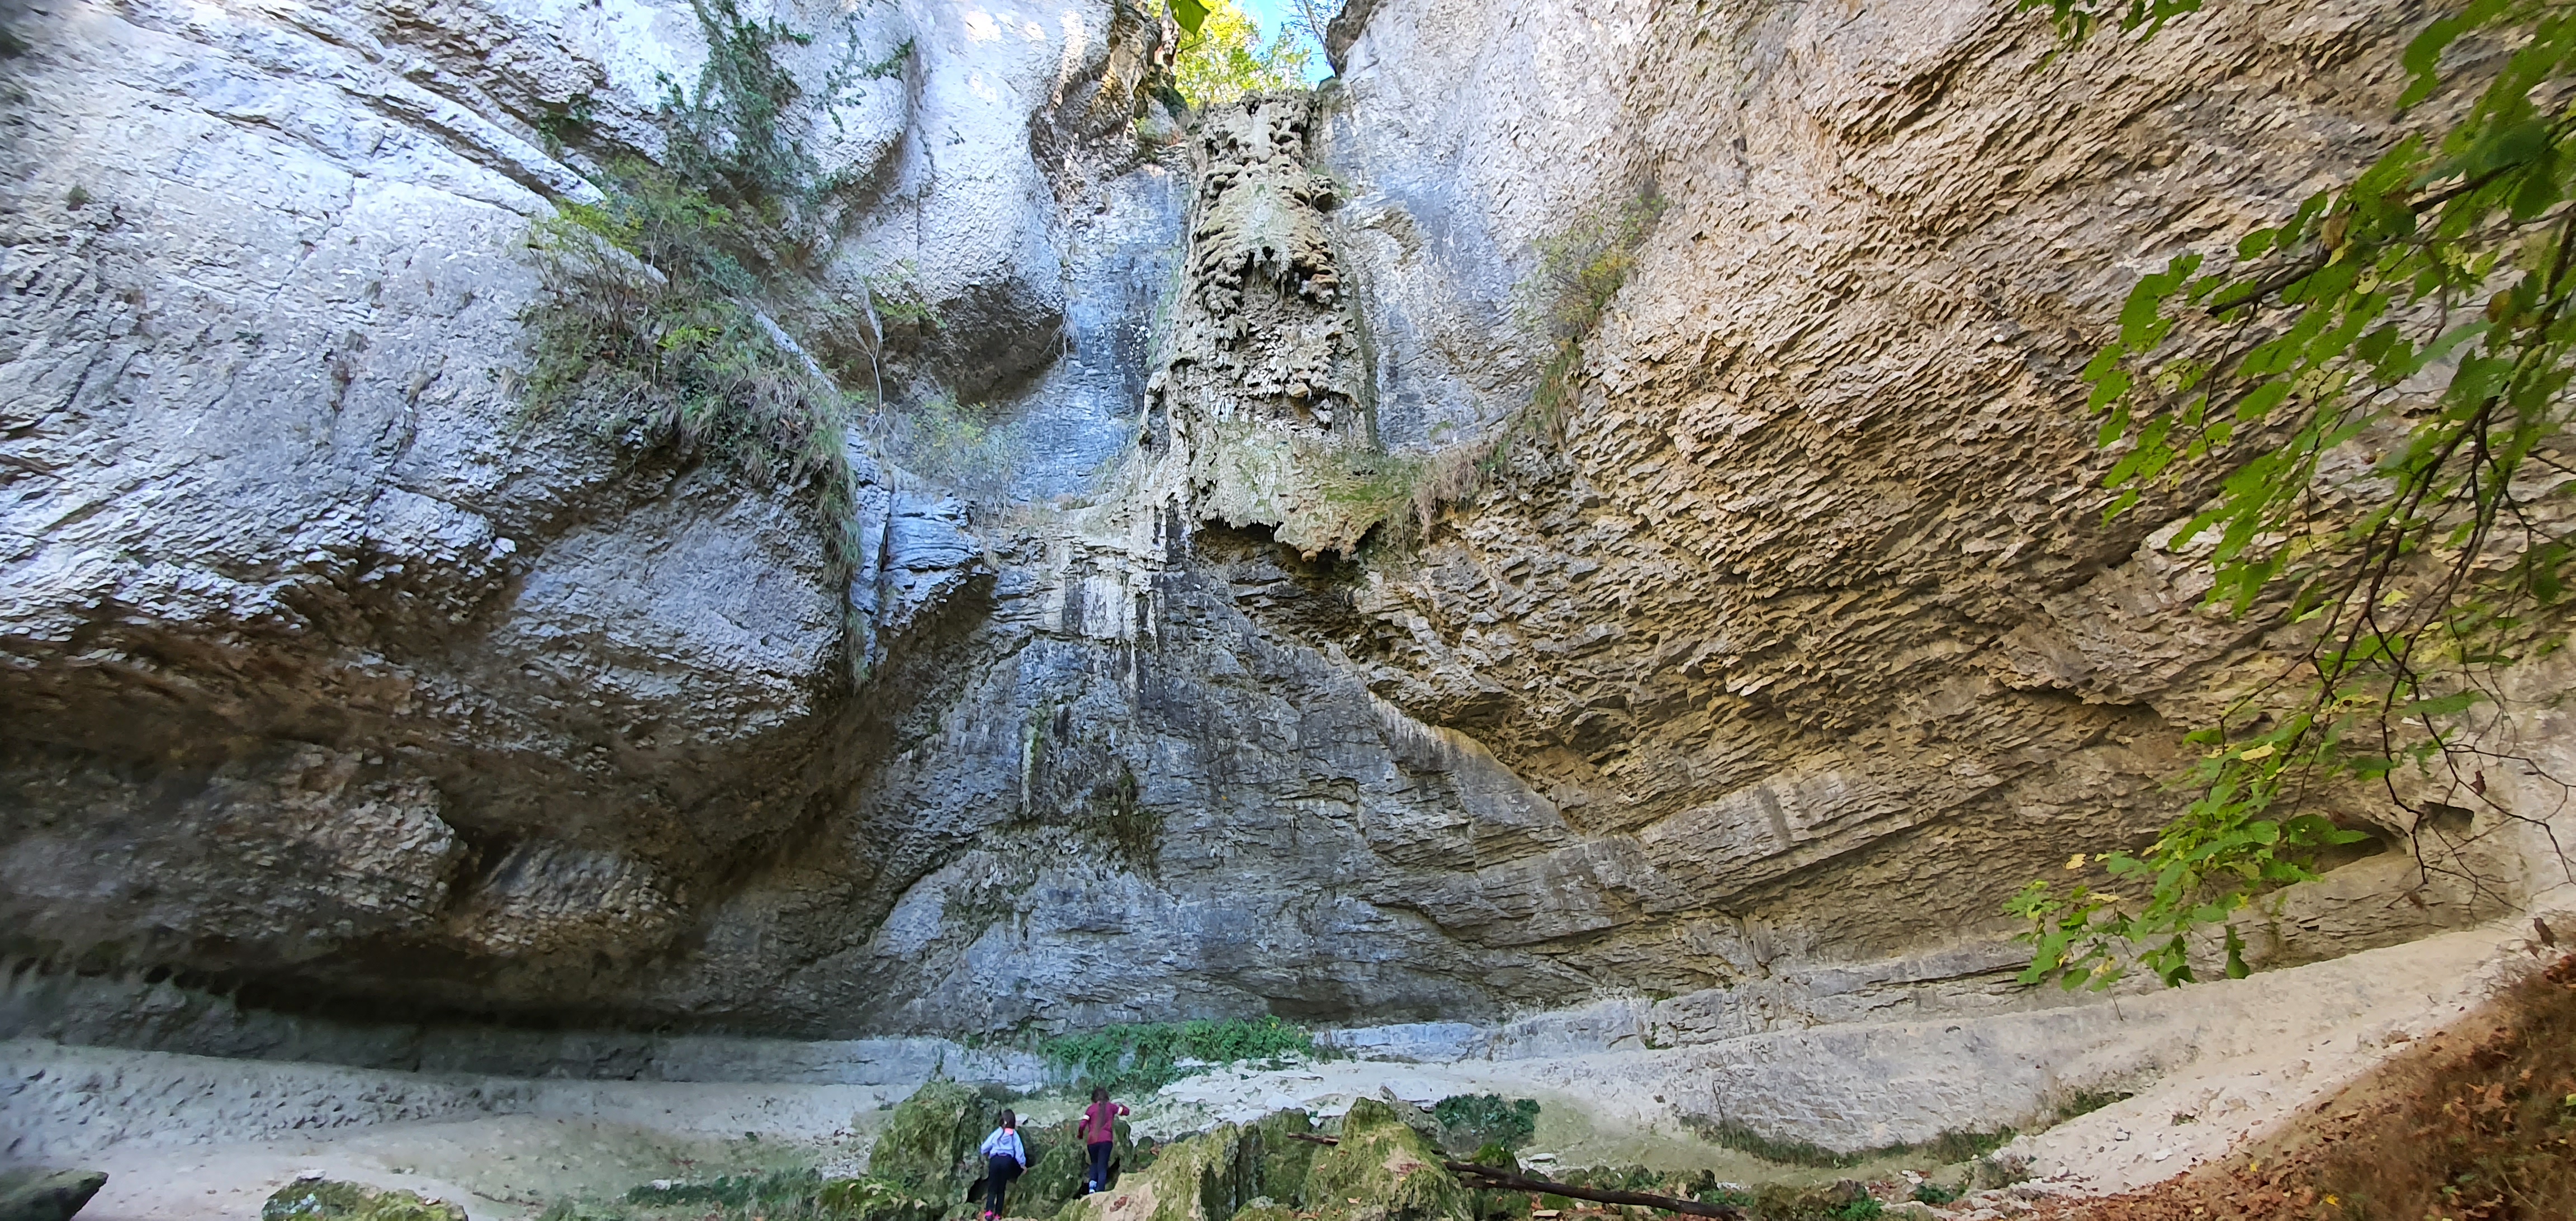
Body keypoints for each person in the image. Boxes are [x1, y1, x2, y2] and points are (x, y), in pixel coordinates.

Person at [979, 1109, 1028, 1220]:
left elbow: (985, 1146)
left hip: (995, 1160)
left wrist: (984, 1152)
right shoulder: (1014, 1135)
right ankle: (998, 1215)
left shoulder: (998, 1132)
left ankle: (989, 1212)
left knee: (992, 1187)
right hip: (1007, 1161)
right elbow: (1019, 1151)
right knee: (1001, 1189)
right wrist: (1022, 1164)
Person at [1080, 1086, 1129, 1194]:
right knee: (1102, 1167)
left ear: (1093, 1099)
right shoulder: (1111, 1107)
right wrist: (1121, 1105)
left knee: (1094, 1164)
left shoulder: (1090, 1109)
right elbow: (1126, 1112)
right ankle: (1100, 1191)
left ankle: (1092, 1189)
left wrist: (1080, 1134)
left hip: (1092, 1141)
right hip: (1106, 1141)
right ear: (1107, 1097)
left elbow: (1083, 1124)